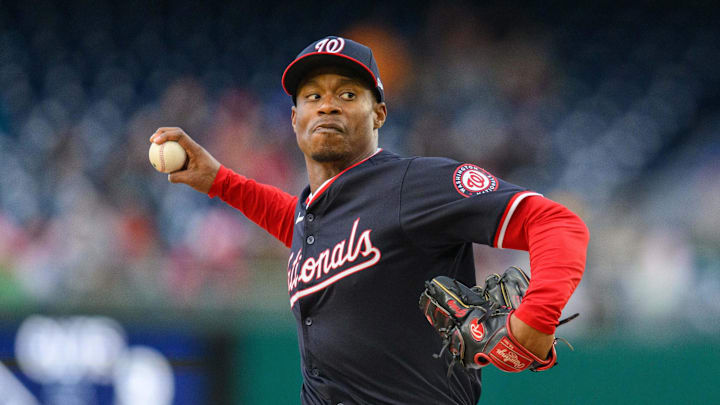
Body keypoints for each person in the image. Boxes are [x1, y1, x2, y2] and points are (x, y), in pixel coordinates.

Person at [150, 36, 589, 404]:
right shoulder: (315, 214)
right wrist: (219, 181)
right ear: (294, 119)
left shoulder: (412, 185)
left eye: (347, 94)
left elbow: (556, 223)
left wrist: (537, 314)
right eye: (312, 96)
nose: (327, 106)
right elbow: (298, 223)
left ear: (378, 112)